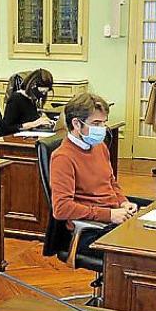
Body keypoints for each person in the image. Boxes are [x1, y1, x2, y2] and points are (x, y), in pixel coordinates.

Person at [50, 93, 138, 256]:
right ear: (76, 123)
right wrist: (109, 215)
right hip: (89, 230)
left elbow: (111, 182)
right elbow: (61, 209)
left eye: (104, 122)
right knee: (144, 252)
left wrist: (123, 202)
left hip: (112, 218)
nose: (102, 128)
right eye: (96, 123)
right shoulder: (63, 157)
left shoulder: (100, 146)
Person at [0, 69, 55, 135]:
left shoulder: (32, 99)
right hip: (12, 137)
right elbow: (6, 128)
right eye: (42, 92)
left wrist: (44, 118)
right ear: (33, 86)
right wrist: (34, 124)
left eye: (45, 92)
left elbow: (32, 116)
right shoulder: (16, 99)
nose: (43, 95)